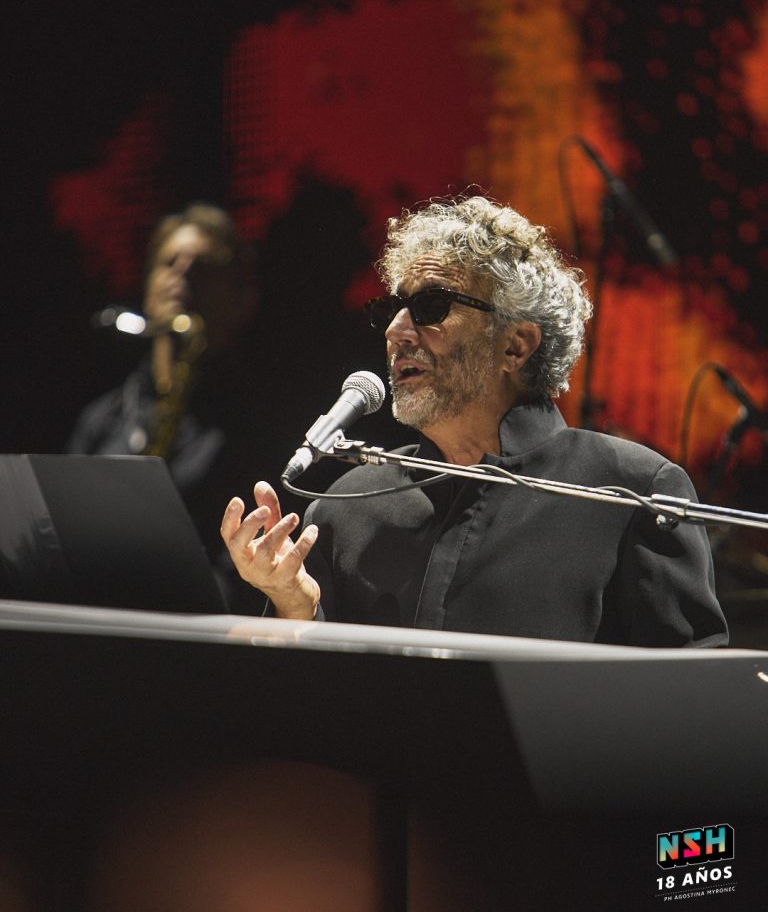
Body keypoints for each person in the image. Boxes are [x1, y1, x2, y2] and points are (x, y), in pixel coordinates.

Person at [221, 195, 727, 646]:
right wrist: (294, 607)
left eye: (431, 306)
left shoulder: (633, 492)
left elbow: (690, 697)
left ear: (515, 345)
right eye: (392, 309)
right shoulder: (346, 509)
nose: (397, 330)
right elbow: (310, 698)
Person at [68, 203, 263, 611]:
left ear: (240, 299)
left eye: (203, 267)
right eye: (169, 262)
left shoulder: (255, 427)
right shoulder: (101, 418)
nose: (182, 275)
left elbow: (246, 582)